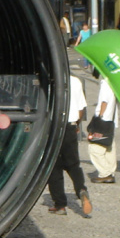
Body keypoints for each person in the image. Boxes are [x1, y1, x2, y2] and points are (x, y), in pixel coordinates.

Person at [47, 74, 92, 216]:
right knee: (73, 164)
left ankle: (60, 205)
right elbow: (81, 109)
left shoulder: (49, 81)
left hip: (53, 127)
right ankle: (81, 190)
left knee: (53, 167)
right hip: (70, 127)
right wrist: (77, 124)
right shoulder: (76, 81)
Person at [88, 72, 117, 184]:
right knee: (109, 146)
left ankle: (105, 173)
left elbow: (104, 101)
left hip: (103, 119)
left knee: (95, 148)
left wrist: (100, 116)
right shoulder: (115, 82)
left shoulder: (106, 82)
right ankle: (110, 171)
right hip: (111, 119)